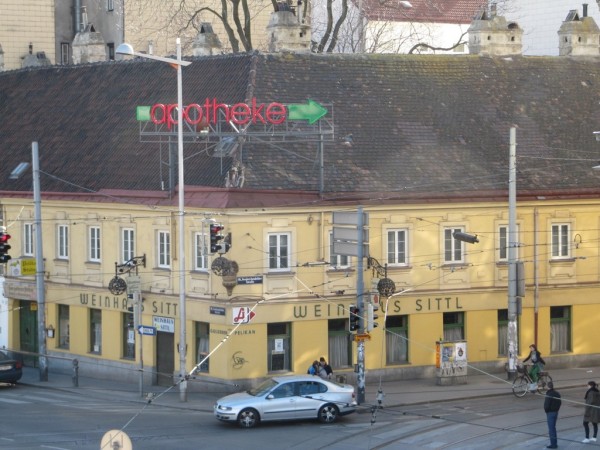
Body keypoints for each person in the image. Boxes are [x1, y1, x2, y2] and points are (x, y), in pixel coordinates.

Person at [544, 381, 562, 449]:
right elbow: (560, 402)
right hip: (556, 412)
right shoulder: (557, 393)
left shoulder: (549, 394)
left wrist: (547, 411)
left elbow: (546, 405)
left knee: (551, 429)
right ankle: (554, 443)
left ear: (547, 387)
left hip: (550, 413)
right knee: (553, 428)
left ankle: (553, 444)